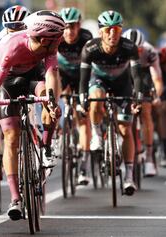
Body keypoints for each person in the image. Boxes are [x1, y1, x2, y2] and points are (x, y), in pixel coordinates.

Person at [0, 10, 65, 220]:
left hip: (35, 78)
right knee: (11, 137)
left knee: (51, 104)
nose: (59, 43)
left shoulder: (50, 47)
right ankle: (15, 198)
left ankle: (46, 146)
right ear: (42, 38)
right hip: (8, 82)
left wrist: (52, 103)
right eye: (56, 40)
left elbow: (51, 77)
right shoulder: (11, 47)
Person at [79, 10, 143, 195]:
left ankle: (129, 176)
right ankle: (97, 134)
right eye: (107, 30)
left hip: (123, 84)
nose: (112, 34)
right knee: (96, 99)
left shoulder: (129, 47)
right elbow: (83, 81)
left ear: (121, 30)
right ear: (100, 31)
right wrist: (83, 99)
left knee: (125, 129)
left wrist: (137, 97)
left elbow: (137, 76)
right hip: (98, 80)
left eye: (116, 29)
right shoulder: (90, 48)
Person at [58, 7, 93, 185]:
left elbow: (92, 67)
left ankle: (84, 166)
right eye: (65, 27)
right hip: (63, 74)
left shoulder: (87, 39)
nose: (69, 31)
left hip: (81, 76)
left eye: (73, 27)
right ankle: (57, 131)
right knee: (55, 92)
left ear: (79, 26)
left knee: (83, 118)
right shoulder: (56, 37)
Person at [122, 28, 163, 177]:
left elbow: (157, 78)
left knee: (146, 111)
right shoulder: (119, 49)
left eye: (138, 50)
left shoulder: (150, 52)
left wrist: (155, 97)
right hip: (125, 74)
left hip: (143, 74)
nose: (135, 53)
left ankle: (150, 158)